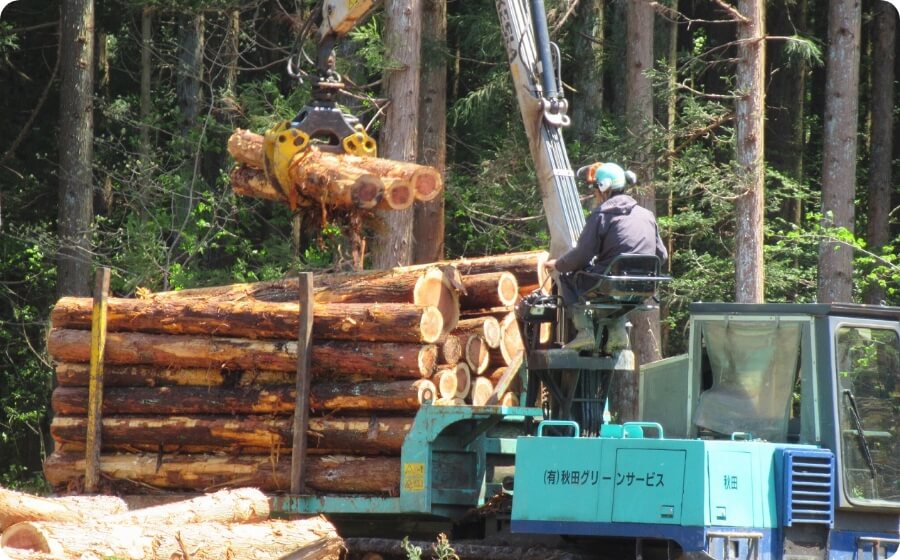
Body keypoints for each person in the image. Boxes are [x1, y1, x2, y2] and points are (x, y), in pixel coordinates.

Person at [544, 162, 668, 351]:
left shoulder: (602, 214)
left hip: (611, 281)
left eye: (595, 190)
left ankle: (584, 333)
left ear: (603, 188)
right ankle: (618, 334)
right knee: (614, 291)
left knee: (570, 276)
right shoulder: (647, 215)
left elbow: (582, 255)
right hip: (645, 284)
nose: (595, 195)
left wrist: (559, 264)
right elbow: (662, 256)